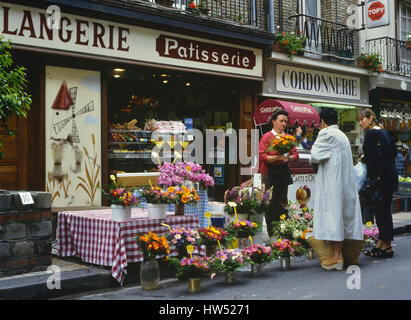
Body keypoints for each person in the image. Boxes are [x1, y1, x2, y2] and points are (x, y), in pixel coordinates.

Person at [310, 108, 363, 270]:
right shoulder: (342, 136)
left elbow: (314, 155)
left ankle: (337, 256)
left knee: (332, 215)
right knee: (340, 214)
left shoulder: (326, 133)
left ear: (323, 121)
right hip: (344, 183)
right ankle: (340, 255)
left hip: (331, 183)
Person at [358, 107, 398, 259]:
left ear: (370, 118)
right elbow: (392, 152)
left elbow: (372, 157)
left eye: (362, 119)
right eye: (359, 121)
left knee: (381, 212)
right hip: (389, 175)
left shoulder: (371, 134)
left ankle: (386, 246)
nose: (361, 123)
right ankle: (383, 242)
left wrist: (363, 158)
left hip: (380, 177)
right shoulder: (383, 131)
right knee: (384, 211)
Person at [258, 108, 299, 243]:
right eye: (281, 121)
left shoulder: (288, 138)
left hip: (283, 172)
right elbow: (262, 156)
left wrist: (289, 158)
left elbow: (296, 155)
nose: (283, 124)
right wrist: (277, 157)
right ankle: (272, 235)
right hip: (268, 173)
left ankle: (283, 232)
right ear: (274, 122)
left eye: (286, 121)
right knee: (270, 204)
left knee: (282, 203)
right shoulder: (267, 137)